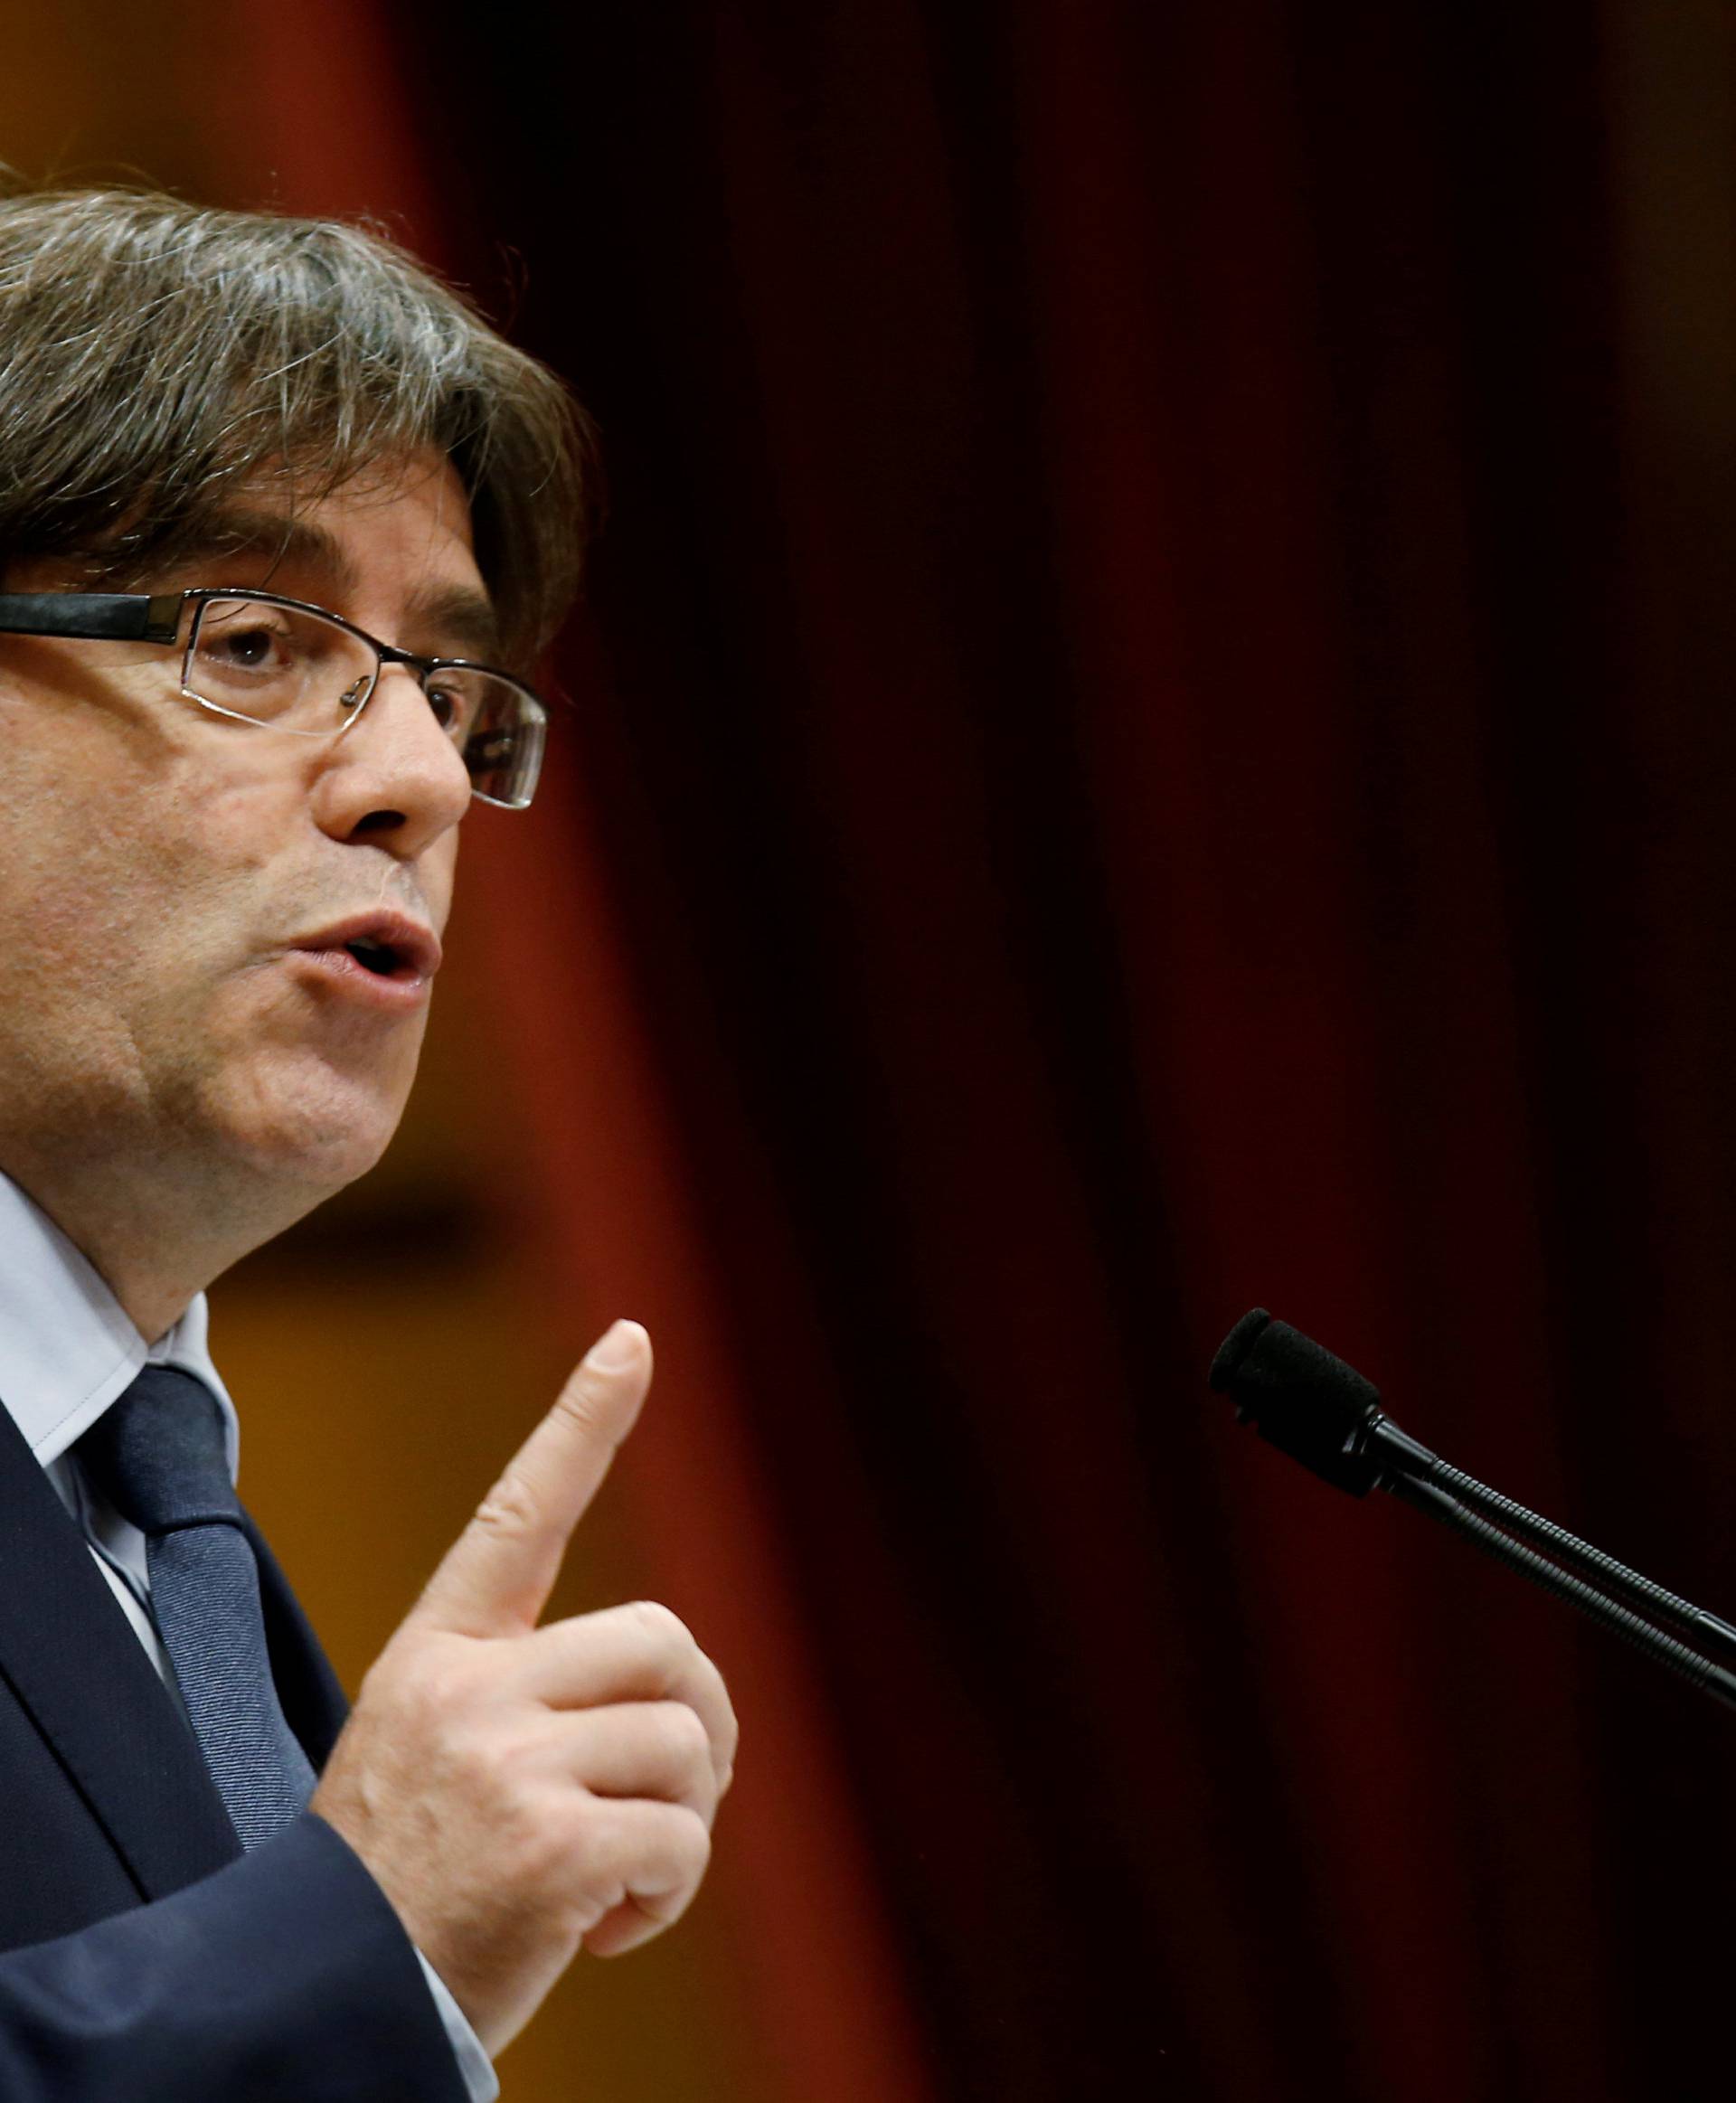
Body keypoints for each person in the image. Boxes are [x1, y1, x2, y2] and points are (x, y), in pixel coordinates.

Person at [0, 180, 737, 2099]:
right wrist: (367, 1940)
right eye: (250, 640)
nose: (418, 776)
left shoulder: (167, 1536)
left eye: (453, 689)